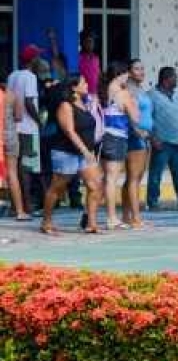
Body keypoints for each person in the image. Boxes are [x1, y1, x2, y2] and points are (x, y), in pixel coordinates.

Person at [41, 74, 103, 235]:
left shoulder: (83, 103)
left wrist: (88, 151)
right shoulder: (65, 106)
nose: (87, 84)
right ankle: (46, 221)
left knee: (95, 186)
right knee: (57, 188)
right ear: (74, 87)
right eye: (84, 82)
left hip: (85, 153)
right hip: (66, 152)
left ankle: (91, 223)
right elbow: (69, 131)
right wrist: (84, 150)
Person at [99, 61, 141, 230]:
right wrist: (133, 101)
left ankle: (105, 216)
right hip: (117, 137)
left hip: (105, 136)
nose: (128, 77)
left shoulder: (105, 89)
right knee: (112, 179)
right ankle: (111, 218)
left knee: (107, 178)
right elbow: (136, 117)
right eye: (126, 74)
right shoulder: (122, 93)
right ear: (120, 74)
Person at [147, 66, 178, 212]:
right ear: (166, 79)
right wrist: (153, 138)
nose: (177, 80)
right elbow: (147, 118)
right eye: (175, 77)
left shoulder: (177, 96)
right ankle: (153, 202)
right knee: (156, 174)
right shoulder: (151, 96)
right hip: (162, 142)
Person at [9, 44, 43, 215]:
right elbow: (29, 102)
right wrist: (39, 121)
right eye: (38, 57)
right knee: (27, 168)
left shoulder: (12, 75)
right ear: (33, 60)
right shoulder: (30, 77)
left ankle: (17, 206)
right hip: (28, 128)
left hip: (13, 126)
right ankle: (27, 206)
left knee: (15, 168)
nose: (40, 61)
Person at [123, 58, 154, 227]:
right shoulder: (129, 90)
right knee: (134, 178)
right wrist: (138, 131)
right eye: (136, 69)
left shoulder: (140, 89)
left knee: (134, 178)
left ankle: (128, 216)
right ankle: (135, 217)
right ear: (129, 72)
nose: (141, 72)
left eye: (142, 68)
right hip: (135, 137)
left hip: (144, 136)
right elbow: (129, 113)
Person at [2, 68, 28, 220]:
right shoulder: (11, 95)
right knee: (12, 173)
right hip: (10, 136)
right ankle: (19, 211)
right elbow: (19, 117)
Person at [78, 31, 101, 96]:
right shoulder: (78, 58)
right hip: (83, 95)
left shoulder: (96, 58)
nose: (91, 44)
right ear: (82, 43)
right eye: (88, 41)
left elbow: (98, 75)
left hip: (95, 94)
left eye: (92, 42)